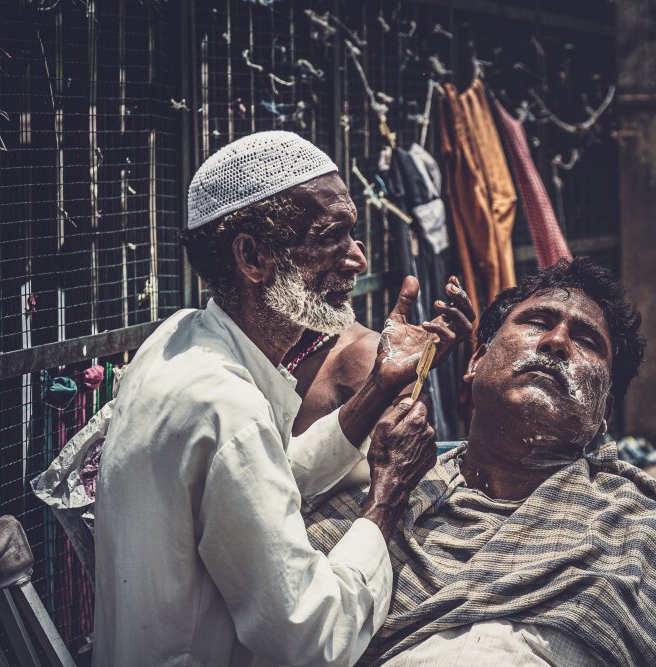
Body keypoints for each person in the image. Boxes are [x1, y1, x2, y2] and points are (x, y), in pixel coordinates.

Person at [92, 131, 475, 667]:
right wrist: (385, 496)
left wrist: (381, 384)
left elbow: (264, 475)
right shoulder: (225, 406)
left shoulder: (180, 337)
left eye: (353, 235)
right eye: (331, 237)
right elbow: (314, 640)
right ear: (253, 256)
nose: (357, 260)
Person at [306, 257, 656, 667]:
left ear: (603, 414)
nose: (557, 342)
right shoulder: (371, 504)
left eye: (587, 341)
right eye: (537, 322)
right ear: (475, 362)